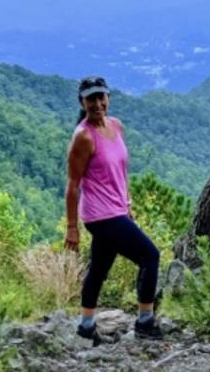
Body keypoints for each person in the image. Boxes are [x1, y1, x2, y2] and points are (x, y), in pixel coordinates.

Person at [63, 76, 162, 343]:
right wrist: (71, 228)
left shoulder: (117, 126)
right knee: (150, 256)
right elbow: (72, 185)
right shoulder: (83, 136)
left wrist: (127, 204)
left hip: (116, 211)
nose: (97, 104)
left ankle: (86, 326)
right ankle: (144, 321)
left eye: (100, 97)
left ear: (108, 98)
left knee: (99, 268)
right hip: (99, 215)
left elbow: (120, 171)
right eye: (90, 99)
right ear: (82, 102)